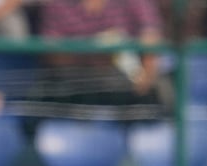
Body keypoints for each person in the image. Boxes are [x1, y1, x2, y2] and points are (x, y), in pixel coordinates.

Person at [34, 0, 167, 108]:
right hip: (73, 89)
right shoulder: (56, 5)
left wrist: (144, 74)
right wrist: (94, 49)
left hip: (123, 89)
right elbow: (53, 54)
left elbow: (151, 35)